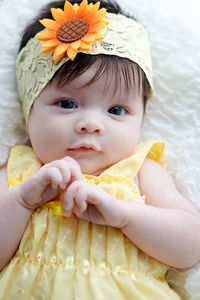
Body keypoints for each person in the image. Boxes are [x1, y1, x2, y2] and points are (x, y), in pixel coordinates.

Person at [0, 0, 199, 299]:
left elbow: (190, 247)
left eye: (116, 110)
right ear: (28, 114)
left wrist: (126, 216)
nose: (91, 124)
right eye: (67, 104)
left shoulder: (140, 171)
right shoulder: (19, 171)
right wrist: (22, 202)